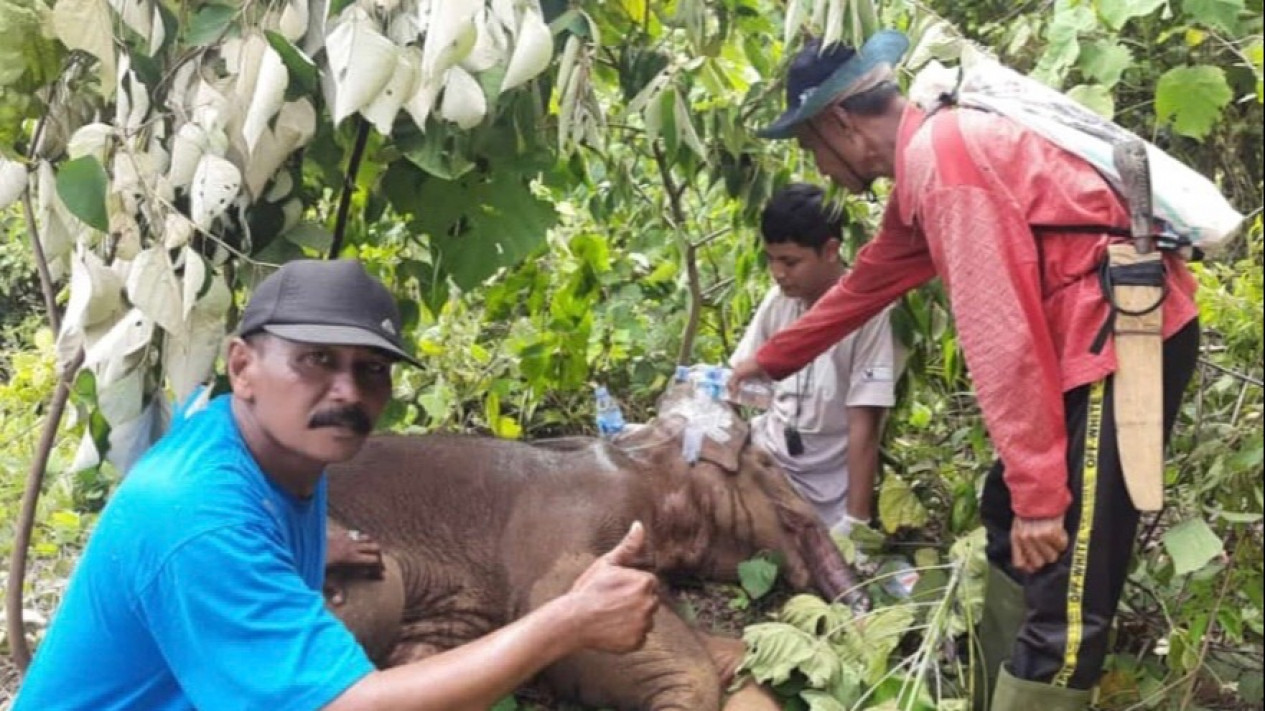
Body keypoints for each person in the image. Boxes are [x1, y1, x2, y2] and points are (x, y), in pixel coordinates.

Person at [728, 32, 1201, 711]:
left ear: (839, 122)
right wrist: (767, 361)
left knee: (1065, 594)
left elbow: (1000, 338)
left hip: (1120, 344)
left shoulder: (946, 165)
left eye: (810, 149)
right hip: (1082, 344)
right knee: (1006, 522)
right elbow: (865, 285)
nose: (822, 172)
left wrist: (1041, 494)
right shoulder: (930, 158)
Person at [14, 259, 660, 710]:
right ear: (243, 366)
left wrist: (315, 544)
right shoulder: (196, 515)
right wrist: (567, 620)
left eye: (371, 368)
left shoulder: (255, 447)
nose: (348, 391)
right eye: (316, 359)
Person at [730, 182, 902, 536]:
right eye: (771, 259)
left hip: (827, 490)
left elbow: (865, 421)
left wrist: (855, 522)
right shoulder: (779, 300)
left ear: (831, 250)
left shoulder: (873, 315)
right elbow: (742, 385)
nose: (778, 272)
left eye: (790, 261)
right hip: (767, 460)